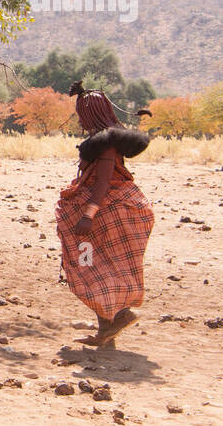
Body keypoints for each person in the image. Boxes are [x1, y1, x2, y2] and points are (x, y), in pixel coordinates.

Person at [55, 81, 154, 348]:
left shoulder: (107, 144)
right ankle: (106, 331)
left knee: (95, 266)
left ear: (90, 114)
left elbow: (102, 181)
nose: (79, 118)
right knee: (97, 267)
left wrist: (88, 214)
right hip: (110, 210)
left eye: (81, 113)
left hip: (109, 212)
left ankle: (121, 315)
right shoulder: (102, 141)